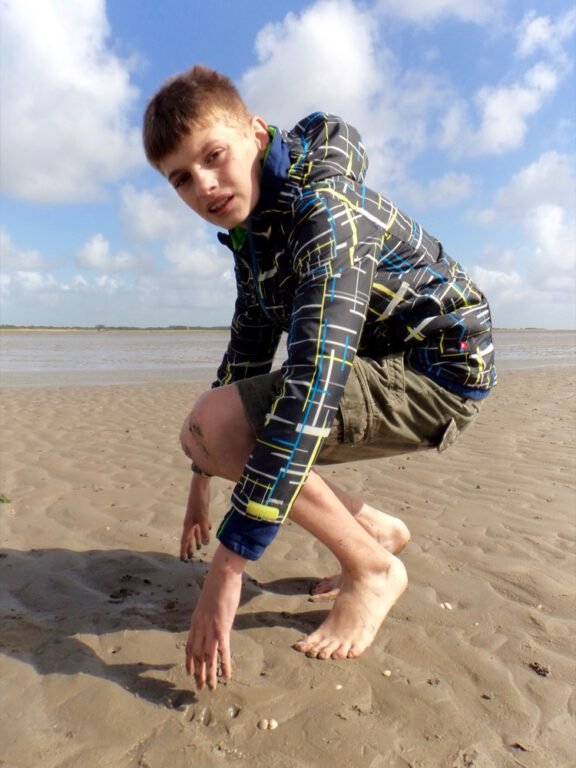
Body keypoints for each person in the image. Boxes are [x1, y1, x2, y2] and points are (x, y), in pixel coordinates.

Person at [142, 65, 496, 691]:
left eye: (214, 156)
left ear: (254, 133)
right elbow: (246, 355)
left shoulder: (323, 214)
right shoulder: (253, 233)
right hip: (382, 363)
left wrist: (229, 566)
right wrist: (200, 481)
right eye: (181, 178)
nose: (204, 185)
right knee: (213, 427)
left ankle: (372, 569)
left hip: (439, 370)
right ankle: (374, 530)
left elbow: (311, 388)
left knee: (229, 427)